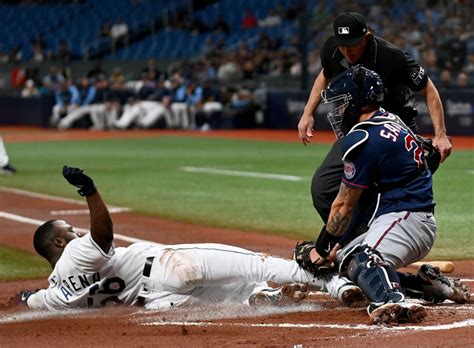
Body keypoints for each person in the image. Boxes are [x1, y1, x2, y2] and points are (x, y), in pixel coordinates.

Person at [21, 166, 359, 311]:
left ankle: (265, 297)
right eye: (70, 231)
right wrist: (89, 190)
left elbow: (36, 300)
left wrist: (28, 296)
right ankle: (337, 285)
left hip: (157, 303)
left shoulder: (55, 294)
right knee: (260, 264)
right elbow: (102, 236)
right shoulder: (76, 252)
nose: (76, 232)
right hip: (169, 264)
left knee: (236, 296)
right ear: (58, 243)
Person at [294, 66, 470, 325]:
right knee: (346, 261)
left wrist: (322, 248)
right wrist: (336, 248)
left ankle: (391, 301)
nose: (338, 111)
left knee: (366, 259)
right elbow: (427, 155)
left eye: (342, 103)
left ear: (357, 100)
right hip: (401, 215)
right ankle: (426, 284)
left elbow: (343, 206)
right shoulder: (390, 118)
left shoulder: (363, 138)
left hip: (408, 217)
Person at [297, 12, 452, 228]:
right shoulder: (333, 50)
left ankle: (376, 246)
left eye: (352, 44)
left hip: (395, 131)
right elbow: (325, 74)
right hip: (359, 129)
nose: (346, 50)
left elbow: (428, 88)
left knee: (383, 196)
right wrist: (307, 113)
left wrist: (441, 134)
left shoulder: (391, 56)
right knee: (323, 188)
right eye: (342, 44)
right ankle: (352, 243)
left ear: (367, 37)